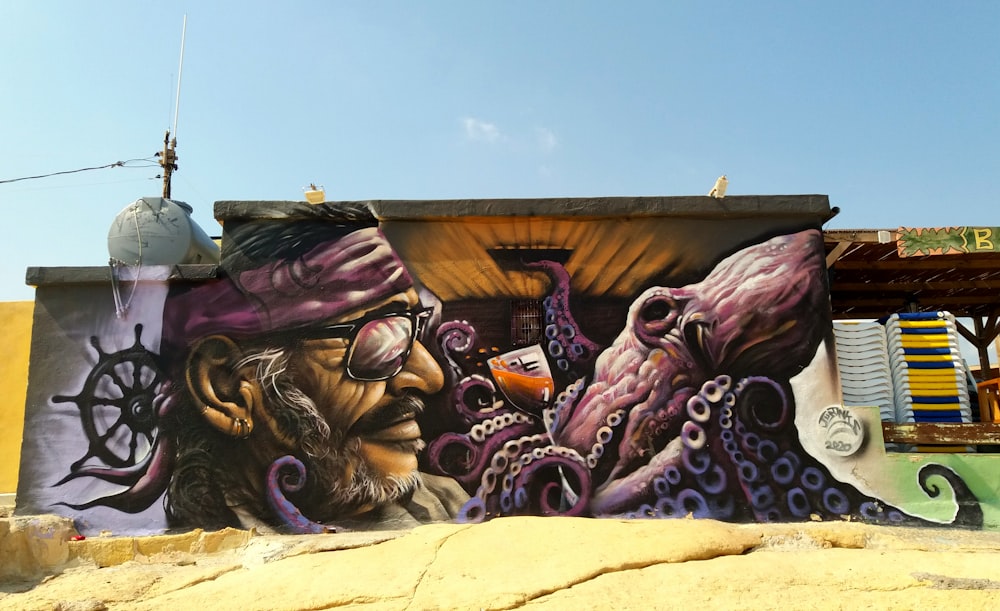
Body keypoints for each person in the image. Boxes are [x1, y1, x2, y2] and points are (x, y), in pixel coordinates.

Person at [158, 201, 468, 532]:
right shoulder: (216, 550)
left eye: (412, 328)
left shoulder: (446, 503)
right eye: (381, 335)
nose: (431, 377)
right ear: (227, 387)